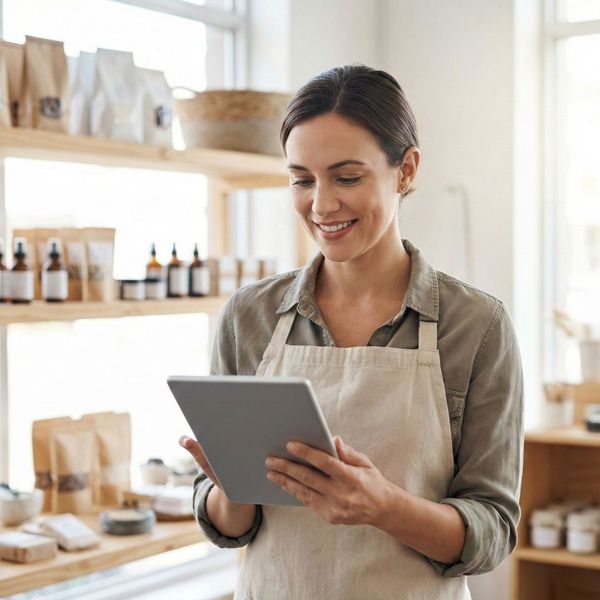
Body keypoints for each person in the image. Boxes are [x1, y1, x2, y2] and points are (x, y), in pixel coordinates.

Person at [179, 64, 523, 600]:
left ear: (405, 169)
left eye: (347, 177)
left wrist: (384, 509)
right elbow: (231, 525)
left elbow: (493, 530)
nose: (321, 204)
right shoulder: (248, 317)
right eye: (302, 179)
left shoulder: (476, 326)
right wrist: (230, 491)